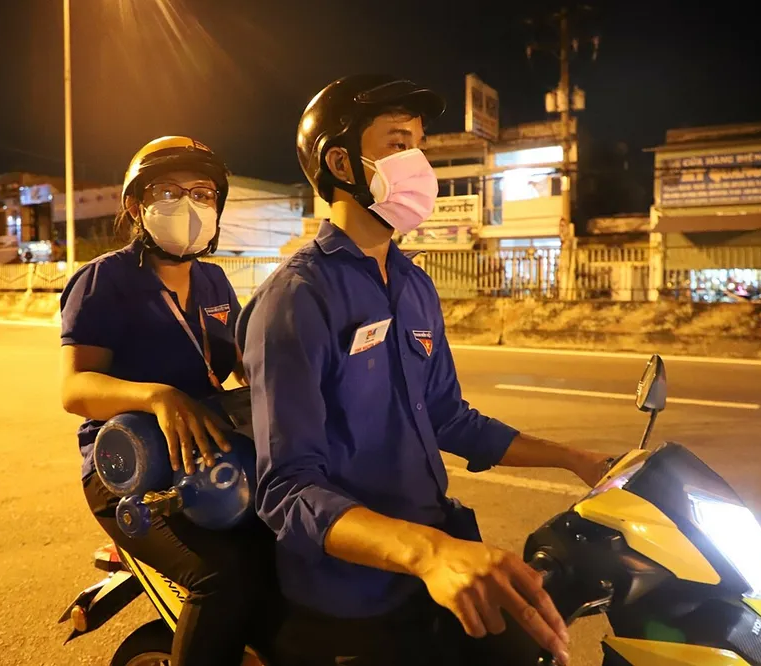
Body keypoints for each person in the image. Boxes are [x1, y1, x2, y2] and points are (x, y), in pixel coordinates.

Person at [236, 76, 614, 666]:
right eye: (396, 143)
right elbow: (289, 490)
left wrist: (576, 460)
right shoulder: (296, 299)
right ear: (342, 162)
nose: (418, 160)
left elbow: (448, 417)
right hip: (352, 597)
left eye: (419, 142)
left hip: (437, 569)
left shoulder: (414, 286)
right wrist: (426, 553)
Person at [59, 136, 276, 666]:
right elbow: (76, 389)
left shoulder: (215, 281)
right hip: (130, 472)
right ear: (136, 206)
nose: (190, 204)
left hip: (209, 455)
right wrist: (159, 396)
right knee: (221, 575)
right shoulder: (104, 281)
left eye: (203, 192)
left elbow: (247, 361)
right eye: (169, 191)